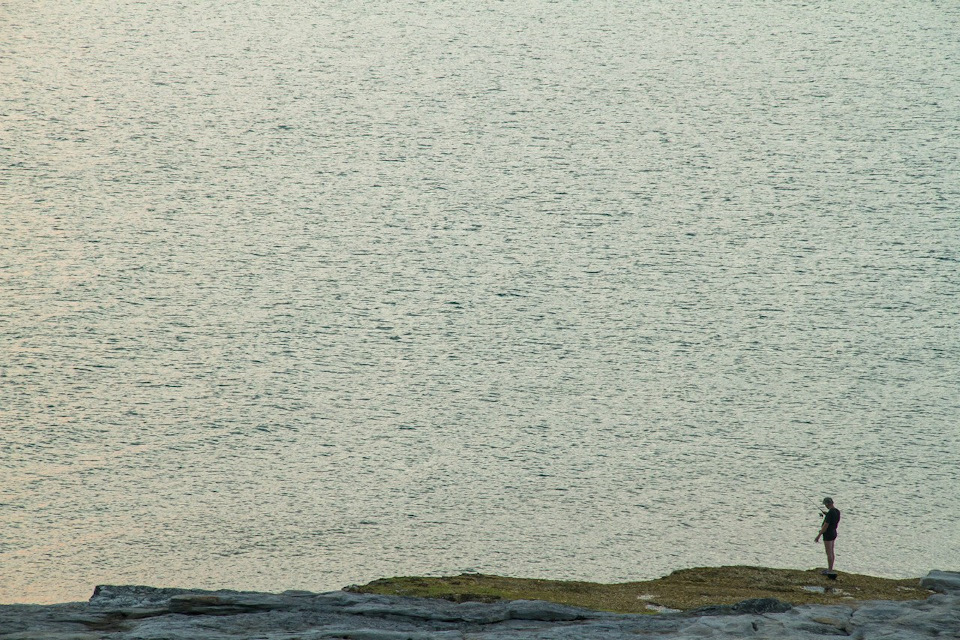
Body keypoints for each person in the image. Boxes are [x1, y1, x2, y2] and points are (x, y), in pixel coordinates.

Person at [814, 497, 841, 572]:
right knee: (832, 552)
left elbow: (825, 526)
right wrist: (827, 514)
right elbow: (833, 519)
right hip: (834, 532)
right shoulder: (837, 511)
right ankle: (830, 568)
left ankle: (829, 570)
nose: (825, 506)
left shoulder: (830, 513)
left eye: (825, 504)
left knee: (829, 553)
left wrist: (818, 536)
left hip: (828, 534)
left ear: (827, 504)